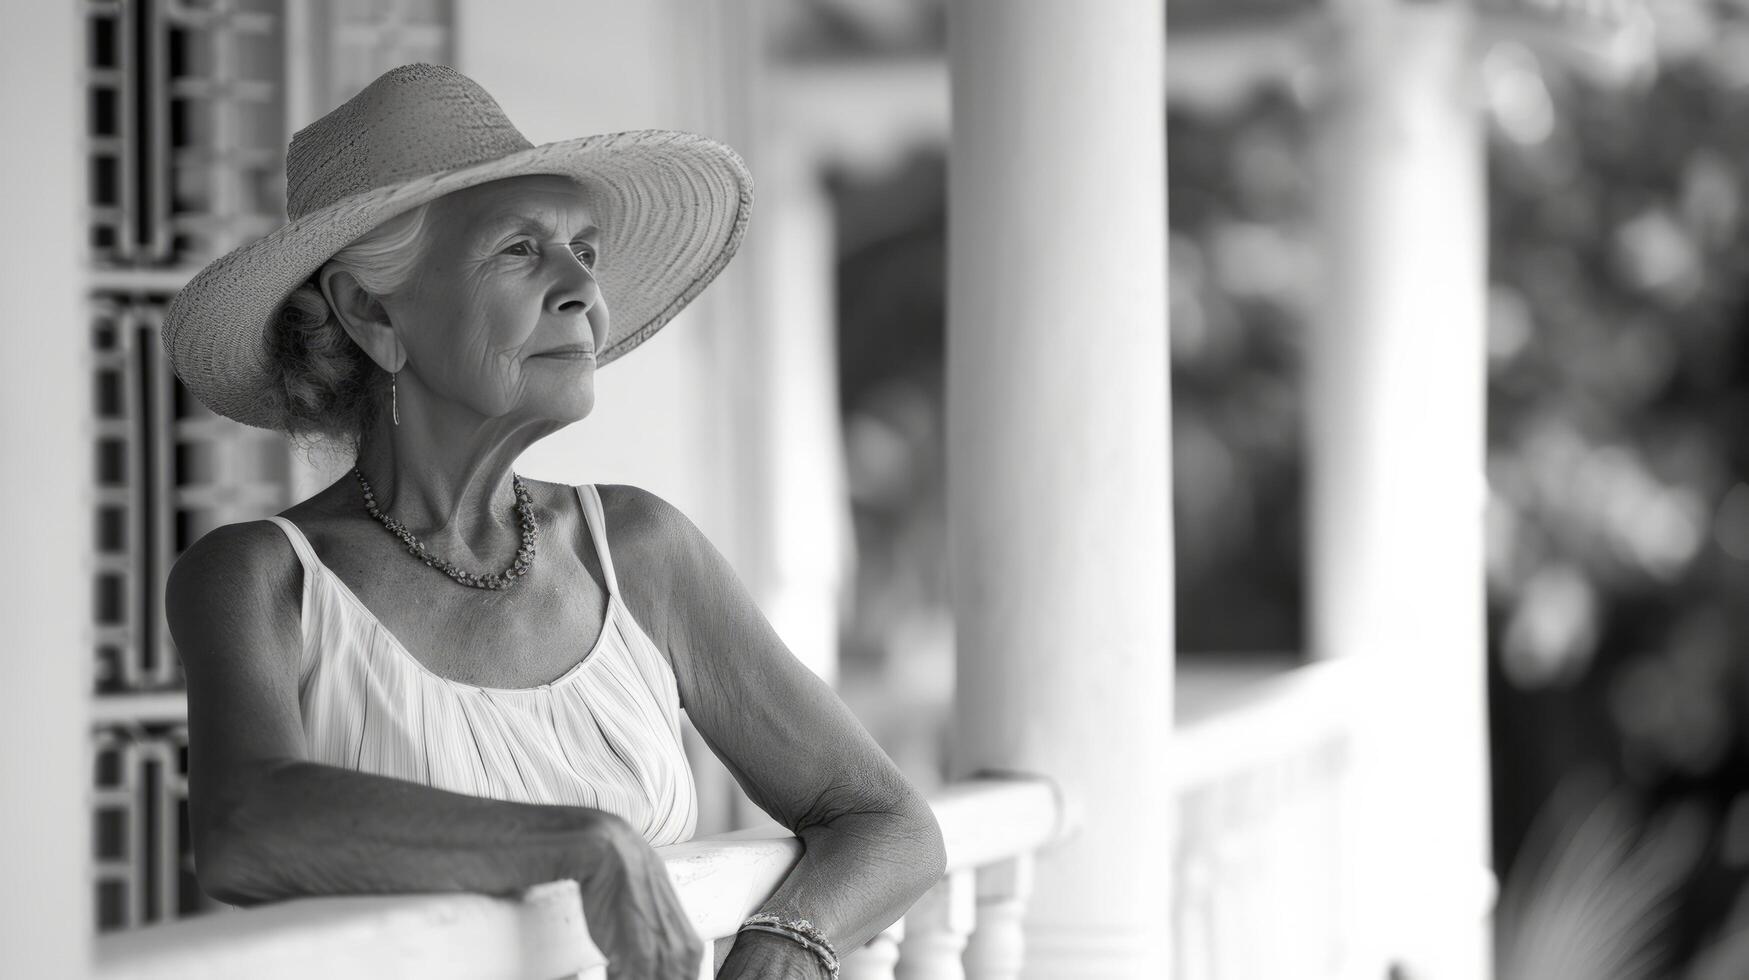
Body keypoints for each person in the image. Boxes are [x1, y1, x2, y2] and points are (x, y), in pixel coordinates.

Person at [162, 63, 945, 980]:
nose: (581, 290)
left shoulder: (640, 553)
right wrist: (583, 843)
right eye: (520, 251)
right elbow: (245, 829)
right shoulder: (262, 578)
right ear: (371, 311)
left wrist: (786, 943)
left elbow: (889, 824)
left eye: (587, 251)